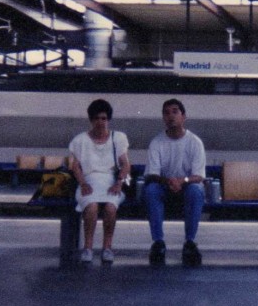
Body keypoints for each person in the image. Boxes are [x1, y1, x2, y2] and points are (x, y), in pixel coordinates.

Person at [143, 98, 207, 267]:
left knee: (196, 190)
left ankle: (190, 243)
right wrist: (169, 181)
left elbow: (198, 176)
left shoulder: (194, 142)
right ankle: (158, 243)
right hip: (164, 188)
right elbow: (152, 174)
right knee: (151, 190)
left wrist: (182, 181)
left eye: (175, 112)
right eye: (166, 113)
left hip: (186, 188)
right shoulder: (157, 142)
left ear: (183, 116)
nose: (171, 116)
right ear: (163, 118)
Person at [68, 99, 130, 264]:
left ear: (108, 119)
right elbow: (75, 166)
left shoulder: (118, 138)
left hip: (111, 182)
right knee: (92, 206)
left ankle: (107, 248)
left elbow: (125, 164)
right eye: (96, 118)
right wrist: (83, 184)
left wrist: (119, 183)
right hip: (88, 182)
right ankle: (88, 248)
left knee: (110, 208)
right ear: (91, 120)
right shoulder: (80, 140)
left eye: (103, 118)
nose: (100, 122)